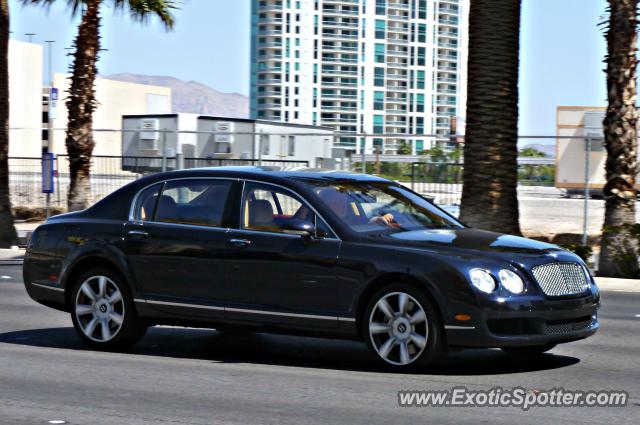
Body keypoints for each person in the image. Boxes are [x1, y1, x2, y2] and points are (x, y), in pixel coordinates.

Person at [317, 187, 395, 227]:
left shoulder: (353, 217)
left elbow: (364, 223)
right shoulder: (320, 223)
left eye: (343, 201)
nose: (341, 204)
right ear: (325, 204)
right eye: (335, 202)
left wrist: (379, 219)